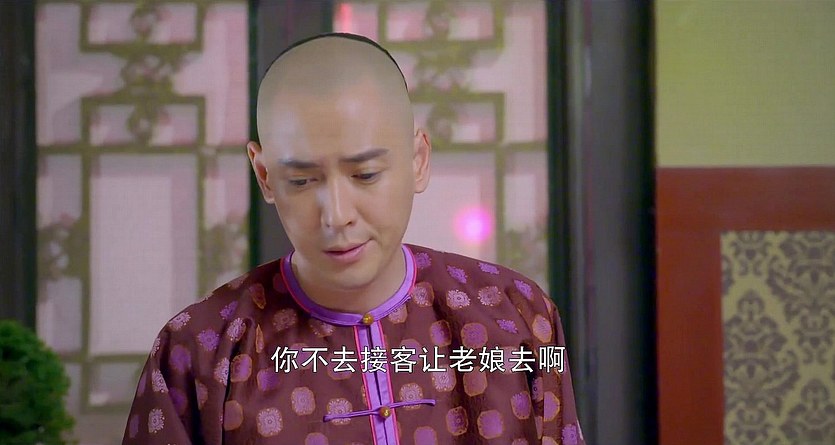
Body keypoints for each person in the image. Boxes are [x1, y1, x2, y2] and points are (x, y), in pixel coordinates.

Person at [122, 33, 584, 445]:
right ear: (264, 176)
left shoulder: (515, 317)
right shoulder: (199, 352)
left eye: (365, 174)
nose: (337, 216)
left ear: (418, 160)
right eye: (302, 181)